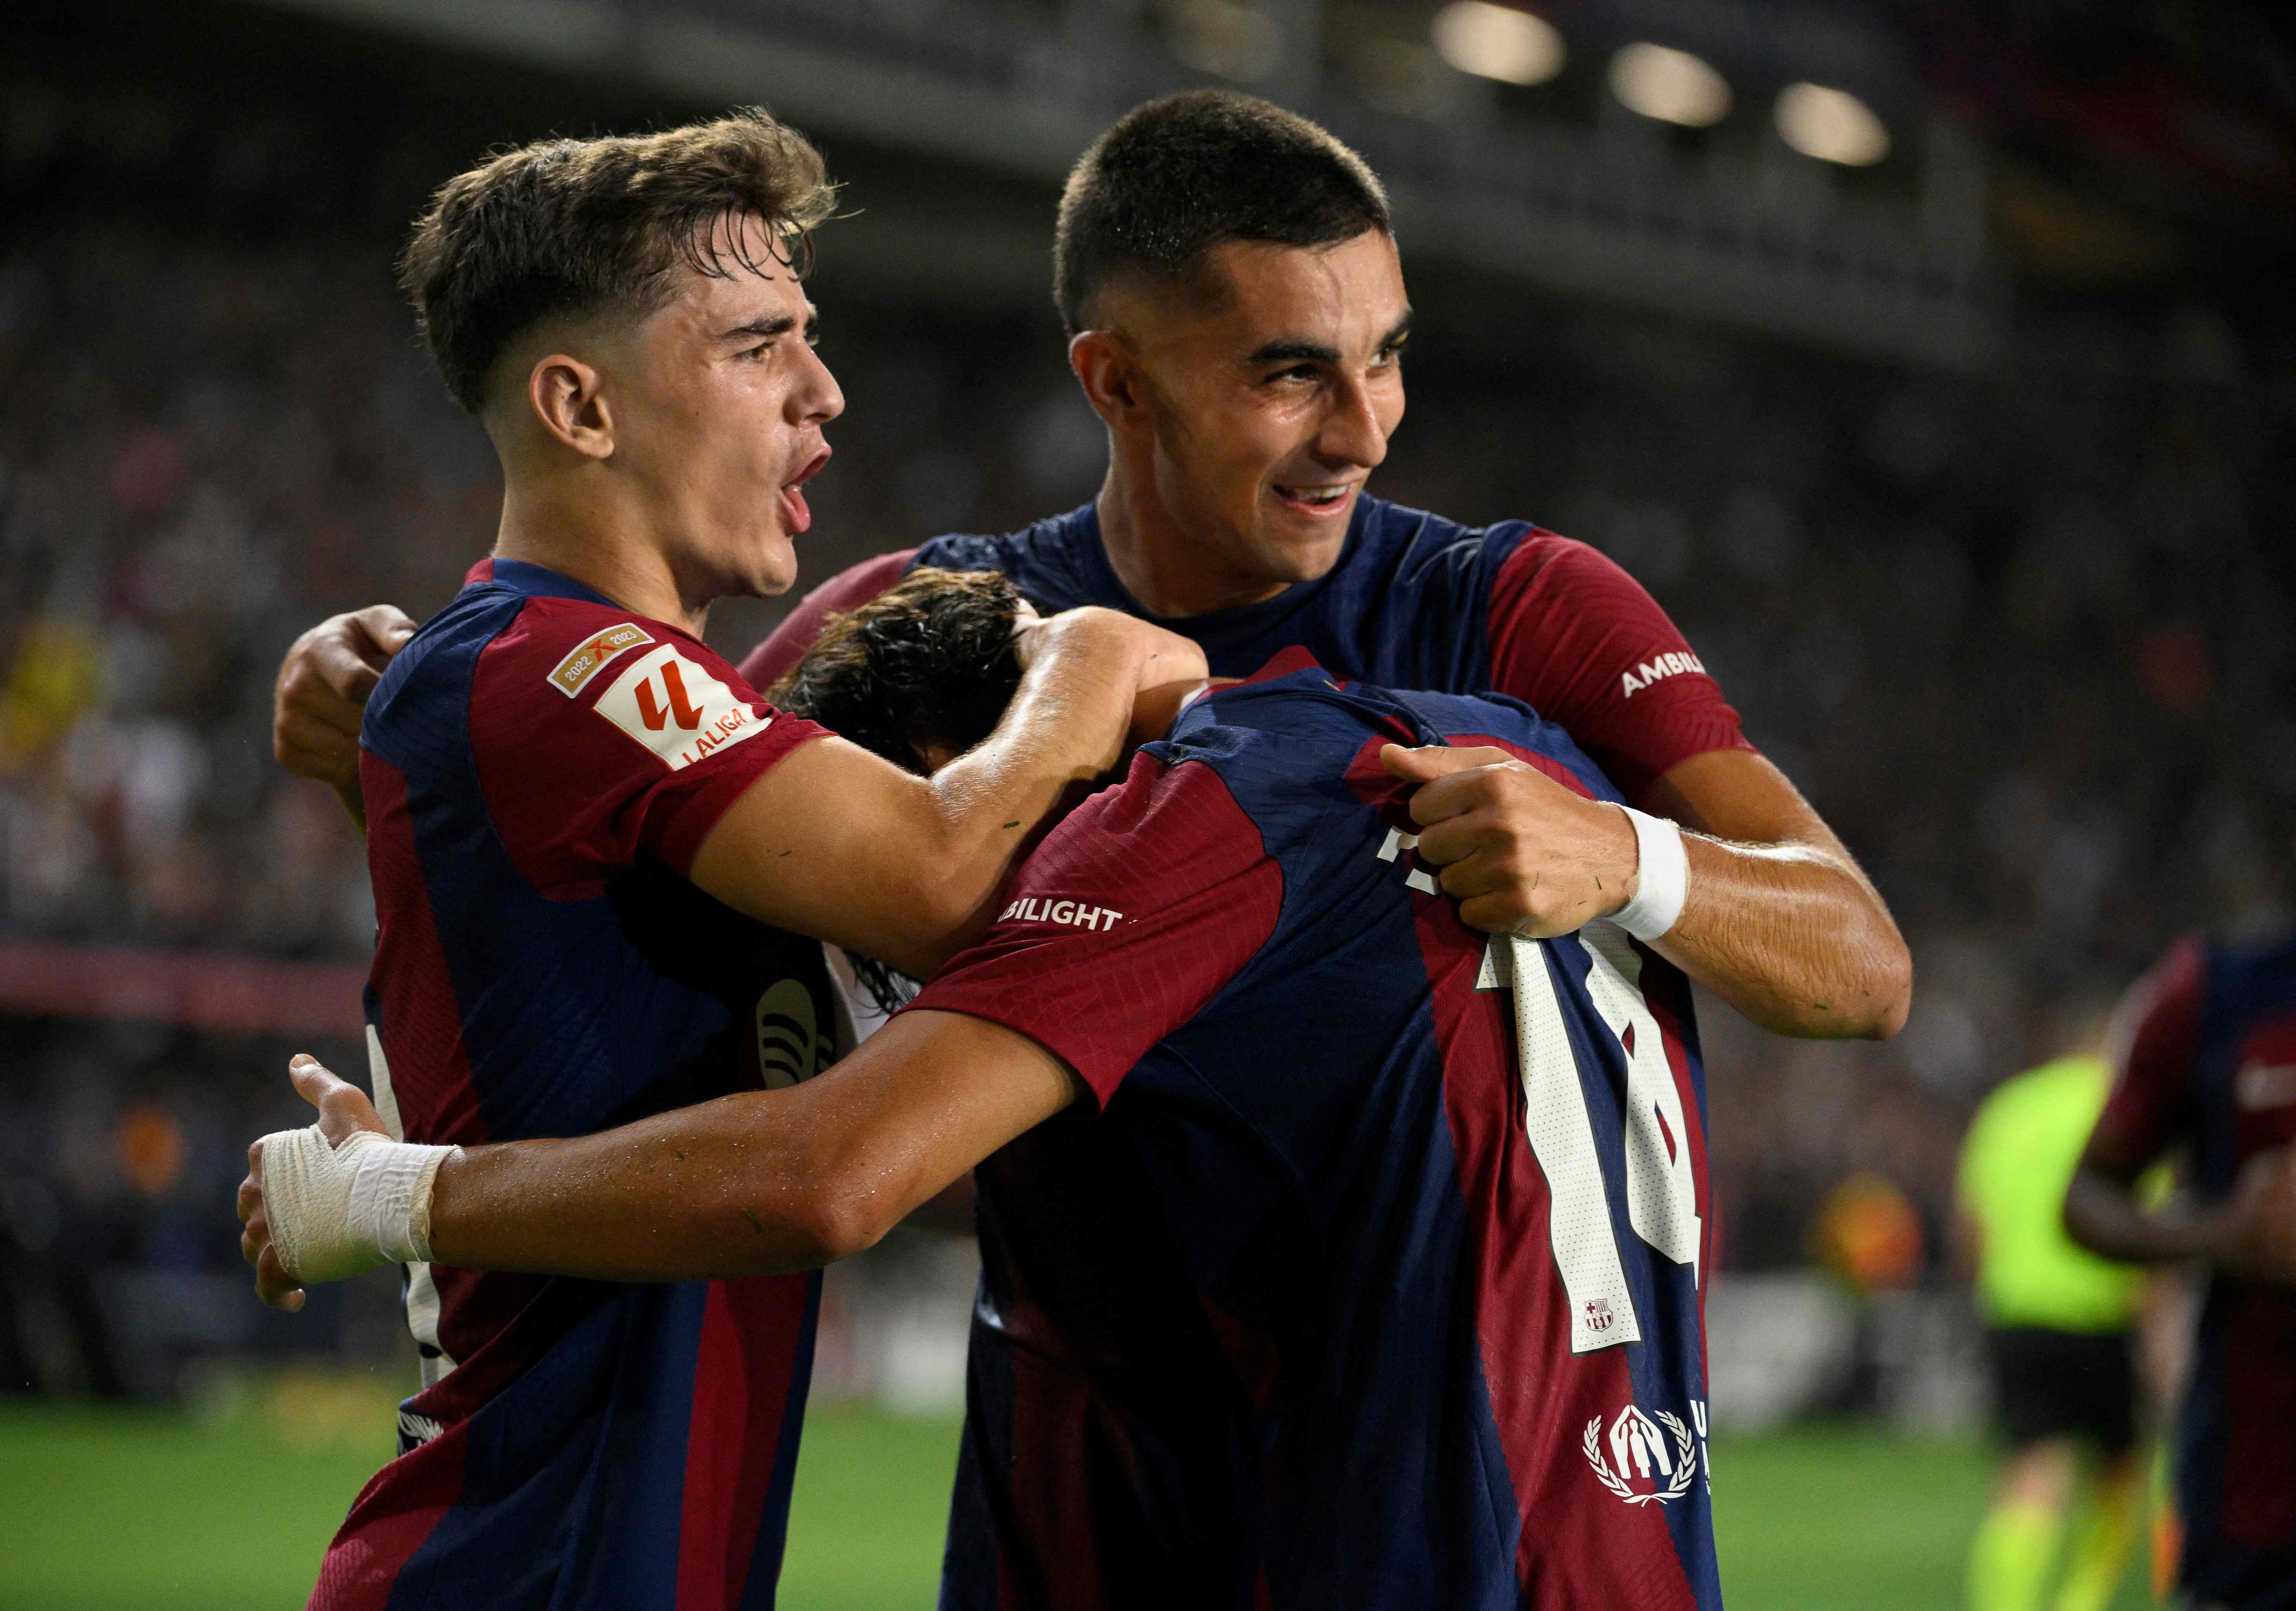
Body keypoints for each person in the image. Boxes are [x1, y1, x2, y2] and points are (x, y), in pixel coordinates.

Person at [270, 88, 1909, 1607]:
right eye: (1292, 373)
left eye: (1387, 359)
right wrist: (403, 723)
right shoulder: (939, 622)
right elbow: (683, 964)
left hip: (1435, 1467)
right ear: (1114, 379)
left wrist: (1627, 856)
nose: (1364, 432)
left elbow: (1859, 959)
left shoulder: (1517, 607)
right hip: (1085, 1493)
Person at [246, 566, 1723, 1609]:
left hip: (1447, 1550)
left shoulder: (1176, 830)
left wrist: (386, 1191)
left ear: (972, 763)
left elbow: (827, 1171)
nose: (916, 969)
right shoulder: (1471, 743)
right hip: (1641, 1530)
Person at [300, 114, 1202, 1611]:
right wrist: (1088, 663)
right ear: (580, 406)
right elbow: (935, 870)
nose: (823, 392)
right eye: (755, 347)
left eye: (811, 339)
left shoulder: (598, 705)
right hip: (520, 1565)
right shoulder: (560, 664)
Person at [2064, 934, 2296, 1611]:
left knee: (2052, 1472)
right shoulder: (2222, 994)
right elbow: (2085, 1197)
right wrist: (2231, 1233)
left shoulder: (2017, 1106)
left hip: (2046, 1318)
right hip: (2257, 1506)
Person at [1956, 1033, 2152, 1611]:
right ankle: (2082, 1601)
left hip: (2017, 1313)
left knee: (2033, 1471)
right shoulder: (2121, 1110)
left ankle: (2004, 1606)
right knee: (2120, 1472)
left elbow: (1972, 1221)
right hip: (2102, 1315)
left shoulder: (2011, 1106)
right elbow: (2147, 1219)